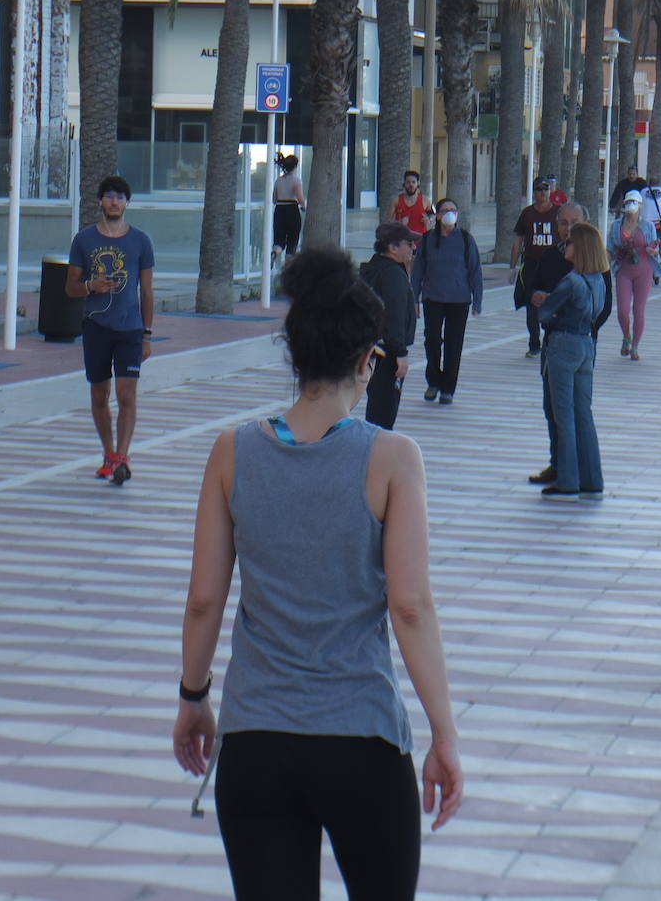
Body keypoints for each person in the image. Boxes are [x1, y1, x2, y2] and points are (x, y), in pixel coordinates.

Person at [172, 248, 463, 898]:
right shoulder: (392, 459)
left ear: (295, 353)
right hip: (361, 738)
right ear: (367, 362)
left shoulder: (232, 451)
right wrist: (444, 732)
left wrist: (194, 698)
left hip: (256, 741)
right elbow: (411, 605)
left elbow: (203, 599)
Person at [65, 175, 155, 485]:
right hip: (97, 327)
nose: (114, 201)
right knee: (100, 394)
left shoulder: (141, 241)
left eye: (120, 196)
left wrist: (147, 333)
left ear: (127, 202)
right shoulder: (84, 240)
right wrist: (92, 285)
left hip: (130, 329)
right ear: (100, 201)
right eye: (109, 196)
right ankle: (108, 454)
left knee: (126, 394)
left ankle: (123, 457)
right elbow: (70, 288)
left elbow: (147, 290)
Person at [526, 203, 611, 487]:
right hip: (586, 343)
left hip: (563, 343)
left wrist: (549, 306)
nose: (566, 238)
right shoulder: (597, 277)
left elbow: (544, 312)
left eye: (572, 238)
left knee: (562, 412)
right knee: (582, 413)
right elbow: (599, 309)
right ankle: (591, 477)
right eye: (563, 223)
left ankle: (568, 478)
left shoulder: (572, 280)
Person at [412, 197, 482, 404]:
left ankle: (448, 389)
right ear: (438, 215)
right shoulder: (426, 240)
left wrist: (477, 301)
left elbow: (475, 271)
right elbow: (417, 272)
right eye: (445, 210)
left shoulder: (466, 239)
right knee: (432, 340)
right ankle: (433, 381)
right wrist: (414, 300)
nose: (449, 213)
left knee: (454, 345)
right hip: (433, 298)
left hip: (459, 300)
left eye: (453, 210)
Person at [360, 222, 420, 430]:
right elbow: (394, 315)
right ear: (393, 248)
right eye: (408, 243)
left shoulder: (372, 269)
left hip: (369, 348)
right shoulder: (392, 274)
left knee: (376, 407)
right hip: (387, 352)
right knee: (384, 412)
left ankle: (372, 450)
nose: (413, 247)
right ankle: (376, 455)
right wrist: (400, 354)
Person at [607, 191, 661, 361]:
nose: (631, 206)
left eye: (634, 203)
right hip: (623, 269)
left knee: (639, 309)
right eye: (628, 202)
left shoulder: (647, 226)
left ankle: (635, 346)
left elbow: (655, 245)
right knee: (622, 310)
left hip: (643, 269)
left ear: (640, 206)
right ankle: (626, 336)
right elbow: (610, 248)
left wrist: (653, 250)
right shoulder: (616, 226)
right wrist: (603, 265)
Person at [509, 177, 558, 357]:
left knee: (554, 303)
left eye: (545, 189)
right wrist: (512, 268)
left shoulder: (558, 212)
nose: (542, 192)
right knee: (532, 306)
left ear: (550, 190)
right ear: (534, 192)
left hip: (554, 266)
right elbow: (517, 242)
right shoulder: (527, 214)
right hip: (531, 265)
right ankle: (534, 343)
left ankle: (551, 341)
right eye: (538, 189)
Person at [271, 154, 306, 261]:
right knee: (293, 239)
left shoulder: (278, 181)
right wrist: (304, 206)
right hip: (292, 210)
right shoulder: (296, 180)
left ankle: (274, 252)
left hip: (279, 210)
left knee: (279, 240)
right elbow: (299, 197)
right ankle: (289, 263)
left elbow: (274, 199)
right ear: (295, 166)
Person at [392, 169, 431, 236]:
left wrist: (429, 220)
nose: (411, 185)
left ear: (418, 183)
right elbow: (387, 221)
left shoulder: (426, 200)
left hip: (420, 240)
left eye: (413, 182)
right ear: (404, 183)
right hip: (401, 241)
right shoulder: (396, 200)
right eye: (408, 182)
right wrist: (399, 222)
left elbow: (433, 215)